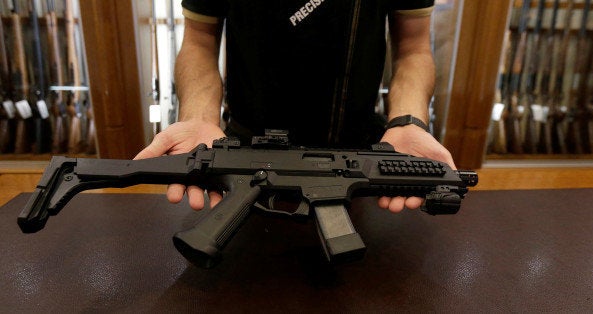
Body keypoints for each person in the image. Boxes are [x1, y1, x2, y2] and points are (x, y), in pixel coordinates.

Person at [135, 0, 456, 213]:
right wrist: (198, 119)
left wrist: (408, 121)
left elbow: (413, 48)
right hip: (244, 152)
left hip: (361, 159)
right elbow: (199, 41)